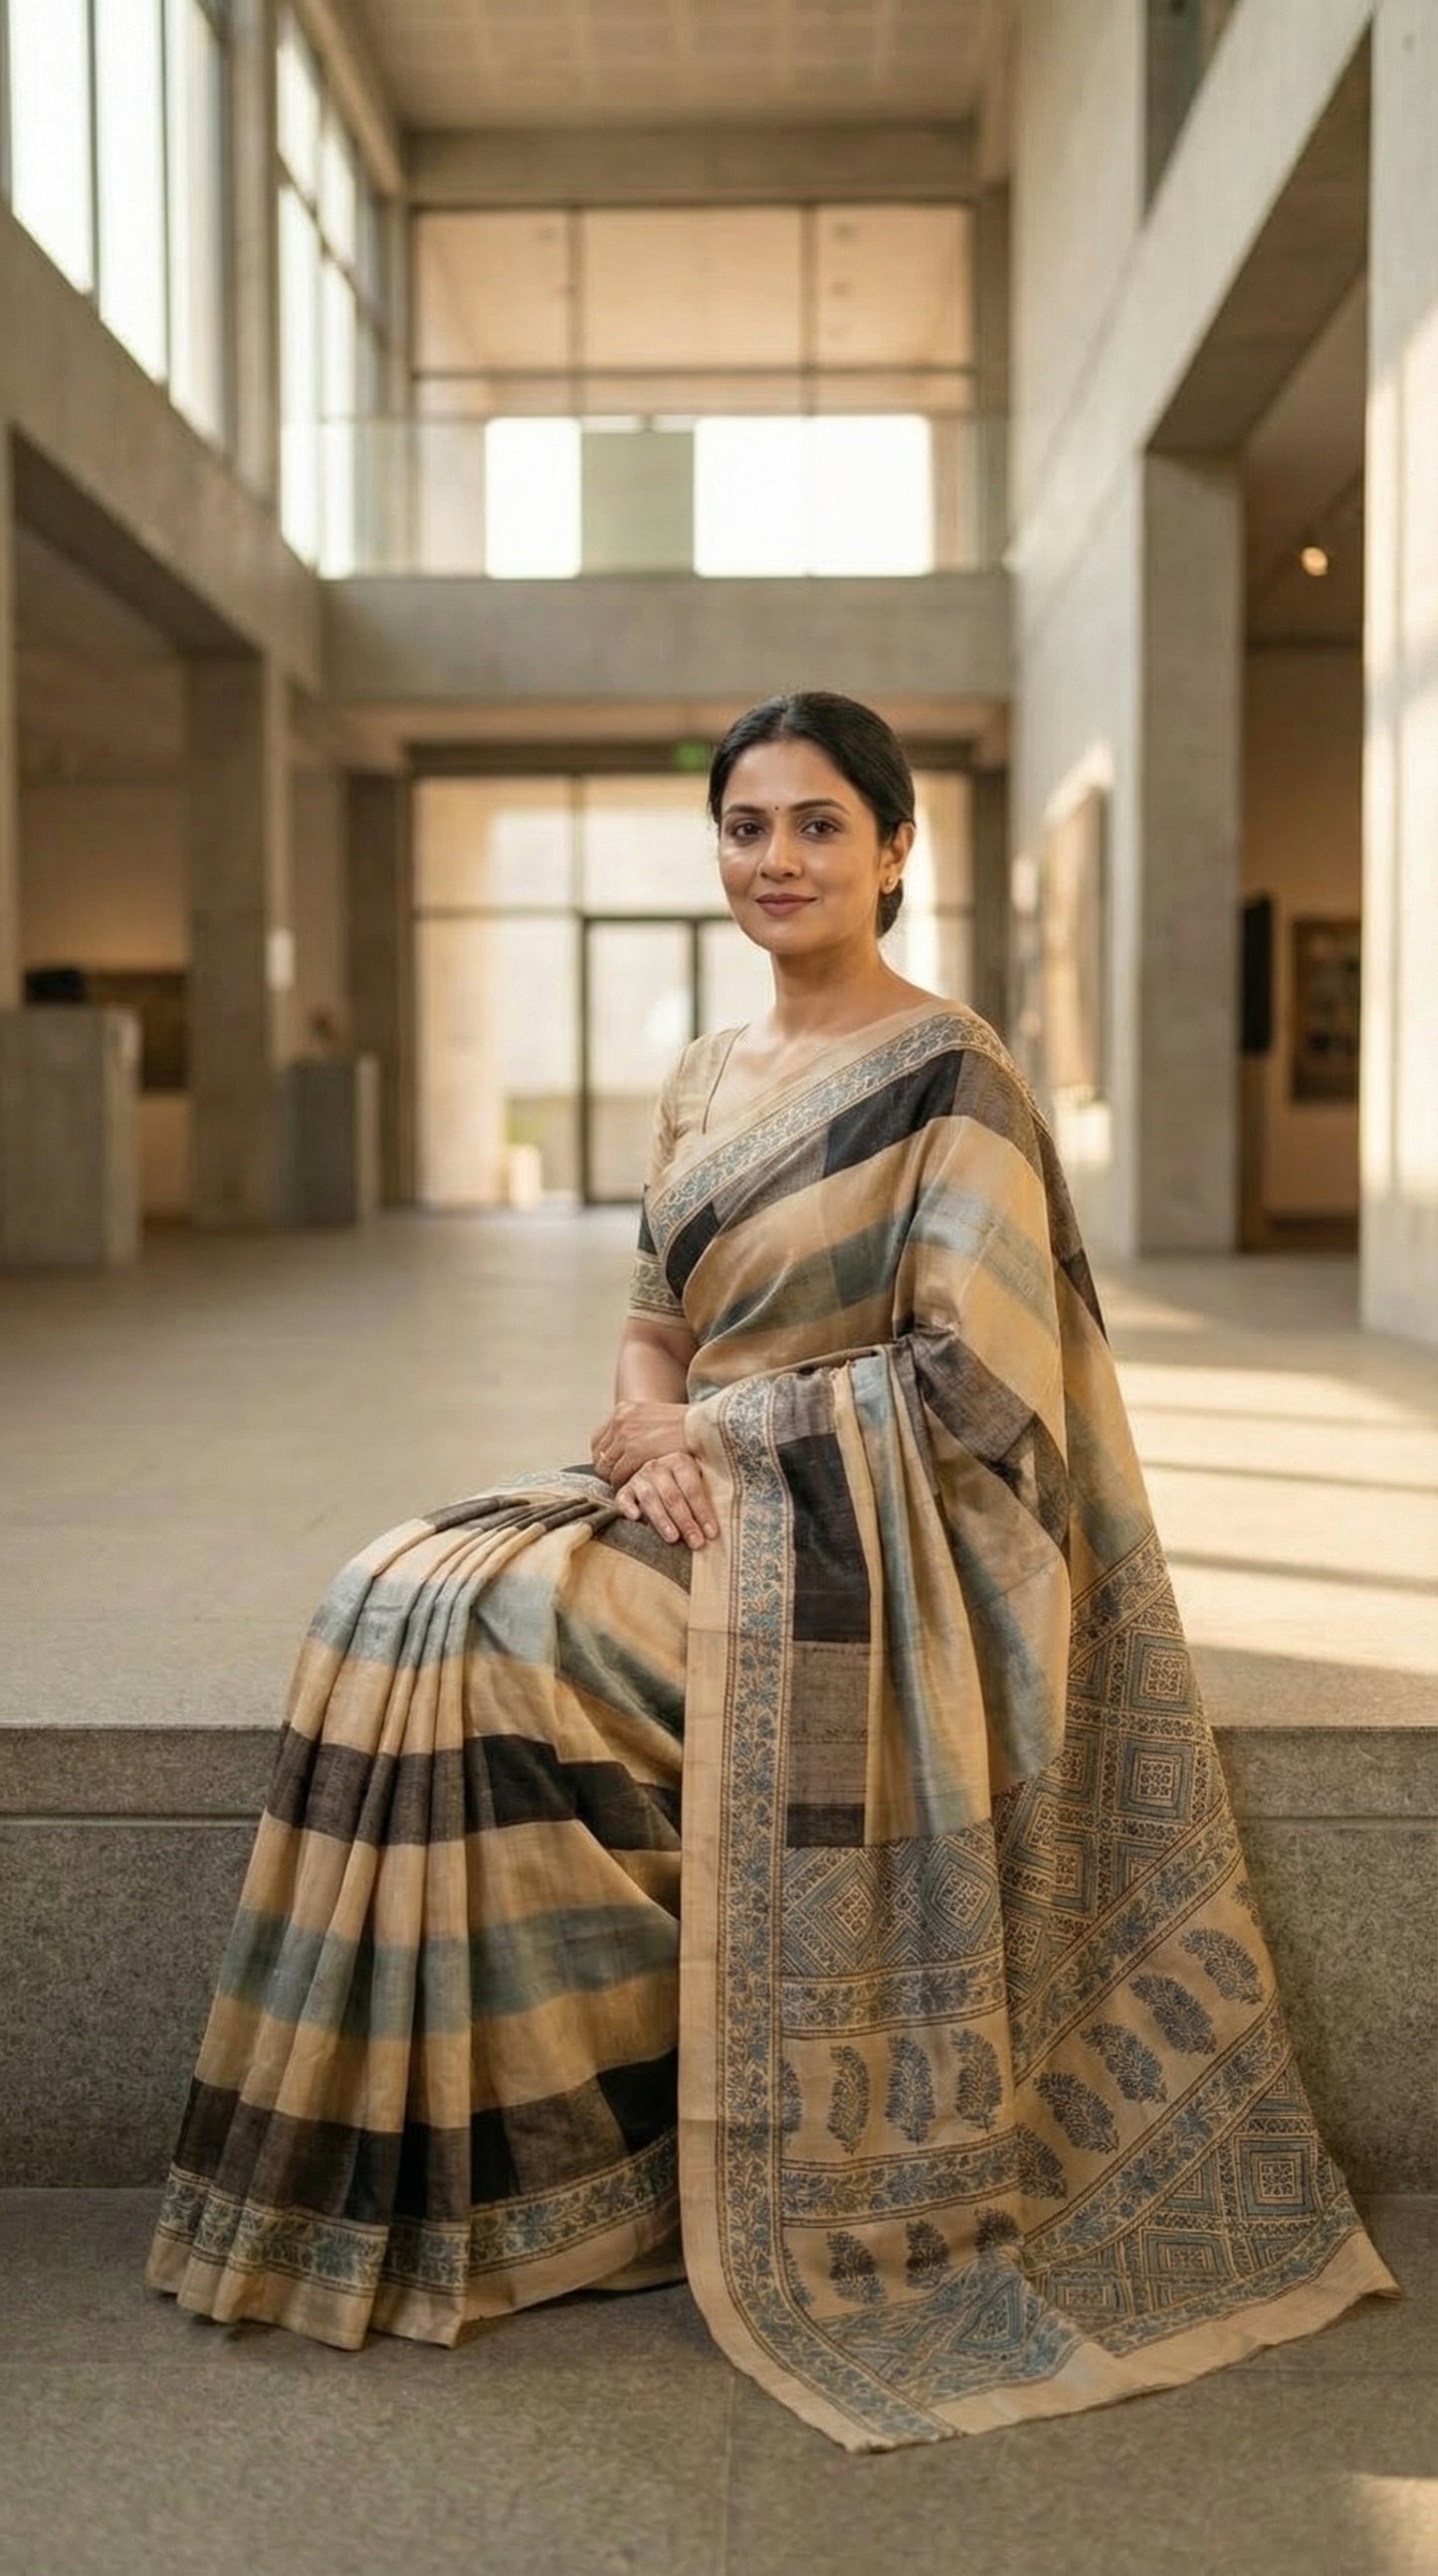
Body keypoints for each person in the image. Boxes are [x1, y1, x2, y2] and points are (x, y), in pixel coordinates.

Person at [147, 691, 1395, 2450]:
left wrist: (715, 1444)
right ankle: (514, 2160)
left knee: (509, 1637)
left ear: (895, 850)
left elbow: (979, 1389)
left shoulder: (948, 1067)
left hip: (880, 1543)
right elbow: (652, 1332)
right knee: (393, 1592)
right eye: (746, 826)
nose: (777, 859)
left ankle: (623, 2162)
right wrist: (644, 1426)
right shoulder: (699, 1078)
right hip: (704, 1488)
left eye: (818, 825)